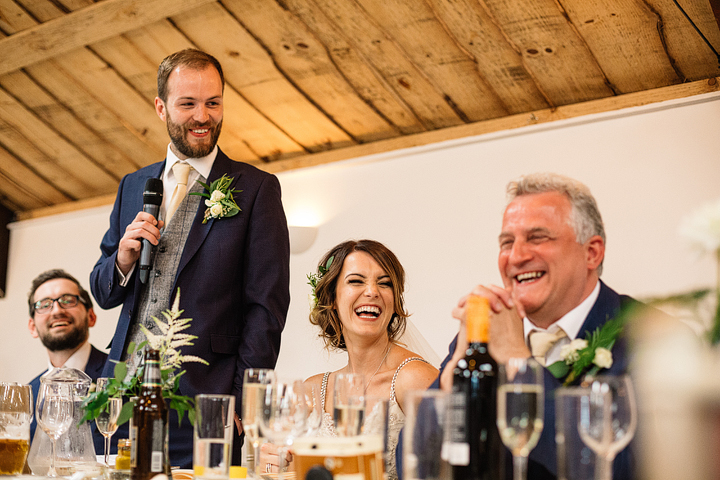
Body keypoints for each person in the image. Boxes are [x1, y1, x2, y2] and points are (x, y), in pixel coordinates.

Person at [90, 49, 290, 468]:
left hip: (206, 401)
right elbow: (103, 292)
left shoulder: (255, 189)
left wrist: (242, 400)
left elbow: (267, 306)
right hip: (120, 399)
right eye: (188, 104)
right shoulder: (132, 185)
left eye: (213, 103)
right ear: (161, 107)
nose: (203, 116)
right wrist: (124, 259)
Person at [399, 173, 641, 480]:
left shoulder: (648, 338)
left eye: (538, 237)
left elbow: (626, 468)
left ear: (591, 252)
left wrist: (517, 357)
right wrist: (454, 374)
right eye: (507, 242)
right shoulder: (482, 333)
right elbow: (413, 464)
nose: (516, 256)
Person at [261, 239, 438, 480]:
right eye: (356, 281)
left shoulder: (413, 379)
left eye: (384, 284)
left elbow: (449, 468)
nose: (372, 292)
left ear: (395, 302)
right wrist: (274, 464)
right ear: (332, 298)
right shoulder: (312, 390)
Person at [27, 269, 108, 455]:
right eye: (44, 304)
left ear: (91, 316)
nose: (57, 310)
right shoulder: (28, 395)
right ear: (33, 327)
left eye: (68, 300)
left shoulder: (123, 378)